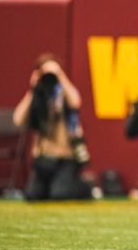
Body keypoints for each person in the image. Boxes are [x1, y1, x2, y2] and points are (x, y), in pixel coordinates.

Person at [12, 55, 89, 200]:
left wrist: (59, 75)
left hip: (66, 157)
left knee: (60, 194)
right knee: (32, 195)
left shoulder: (64, 92)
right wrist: (32, 90)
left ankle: (84, 186)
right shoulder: (37, 95)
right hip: (43, 158)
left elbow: (76, 102)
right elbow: (17, 120)